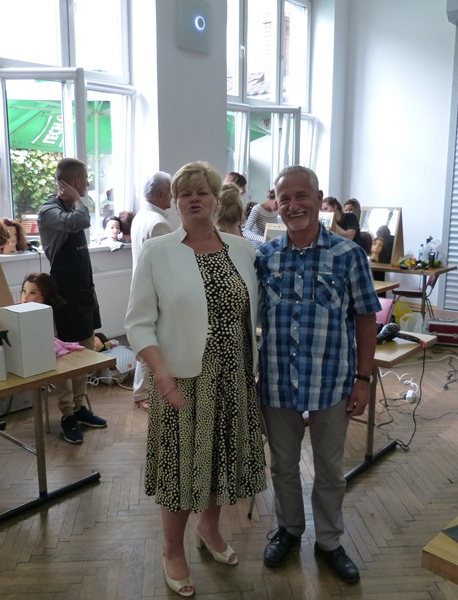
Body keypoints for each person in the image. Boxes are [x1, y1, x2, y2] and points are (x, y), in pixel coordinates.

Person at [125, 162, 266, 597]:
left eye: (202, 191)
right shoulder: (158, 251)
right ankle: (172, 549)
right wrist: (161, 376)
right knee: (181, 468)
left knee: (219, 459)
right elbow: (138, 323)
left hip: (235, 378)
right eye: (184, 193)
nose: (193, 199)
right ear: (174, 202)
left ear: (217, 199)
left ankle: (209, 527)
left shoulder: (242, 250)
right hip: (183, 383)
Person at [256, 166, 380, 584]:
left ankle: (329, 541)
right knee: (283, 467)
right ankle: (289, 529)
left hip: (332, 383)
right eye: (284, 198)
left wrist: (363, 379)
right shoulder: (265, 257)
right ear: (276, 204)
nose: (293, 206)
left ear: (318, 197)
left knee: (329, 469)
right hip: (277, 382)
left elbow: (366, 319)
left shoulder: (349, 255)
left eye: (301, 196)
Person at [38, 158, 107, 443]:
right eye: (86, 180)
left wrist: (77, 200)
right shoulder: (49, 211)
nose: (88, 184)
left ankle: (80, 408)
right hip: (63, 294)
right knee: (66, 357)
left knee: (86, 351)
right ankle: (67, 414)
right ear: (76, 183)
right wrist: (79, 200)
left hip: (84, 290)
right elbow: (80, 221)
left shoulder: (72, 206)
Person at [130, 171, 173, 411]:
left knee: (145, 337)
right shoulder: (158, 223)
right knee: (151, 340)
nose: (172, 197)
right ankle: (144, 393)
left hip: (142, 286)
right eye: (170, 192)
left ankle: (141, 391)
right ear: (159, 194)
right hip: (155, 290)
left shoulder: (141, 216)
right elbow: (165, 265)